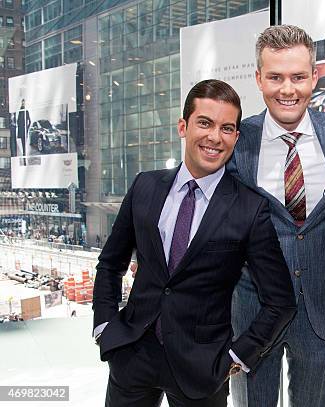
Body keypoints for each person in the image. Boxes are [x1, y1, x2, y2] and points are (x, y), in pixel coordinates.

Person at [92, 79, 296, 407]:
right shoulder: (145, 186)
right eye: (205, 123)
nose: (215, 137)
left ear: (236, 137)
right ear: (183, 126)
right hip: (132, 356)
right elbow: (110, 262)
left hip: (203, 367)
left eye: (227, 128)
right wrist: (105, 324)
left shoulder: (249, 208)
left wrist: (239, 355)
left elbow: (281, 301)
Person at [226, 25, 325, 407]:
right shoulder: (236, 140)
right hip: (251, 310)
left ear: (314, 76)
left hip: (321, 309)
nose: (288, 89)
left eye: (299, 76)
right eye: (275, 77)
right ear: (258, 79)